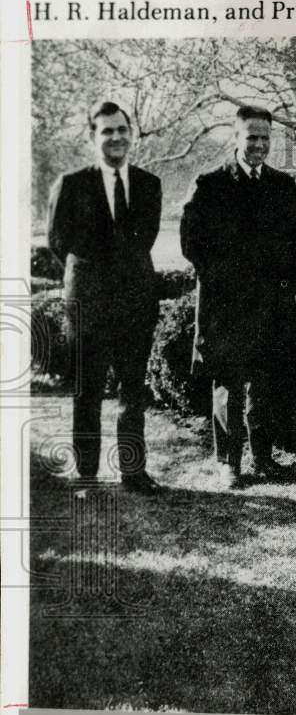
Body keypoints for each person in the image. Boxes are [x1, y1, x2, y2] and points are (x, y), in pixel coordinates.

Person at [180, 105, 296, 489]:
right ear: (236, 138)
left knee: (265, 382)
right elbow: (192, 244)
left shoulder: (282, 185)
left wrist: (291, 281)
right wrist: (230, 279)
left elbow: (293, 243)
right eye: (251, 137)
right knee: (229, 383)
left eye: (264, 138)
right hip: (226, 305)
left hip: (271, 305)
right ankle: (229, 462)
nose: (258, 145)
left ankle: (264, 459)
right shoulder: (209, 185)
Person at [47, 101, 163, 494]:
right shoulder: (72, 183)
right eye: (106, 131)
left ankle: (133, 472)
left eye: (121, 129)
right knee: (88, 394)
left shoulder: (149, 184)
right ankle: (87, 476)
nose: (116, 138)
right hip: (89, 308)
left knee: (133, 392)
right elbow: (59, 242)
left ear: (131, 133)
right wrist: (93, 281)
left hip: (135, 306)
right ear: (93, 137)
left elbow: (142, 242)